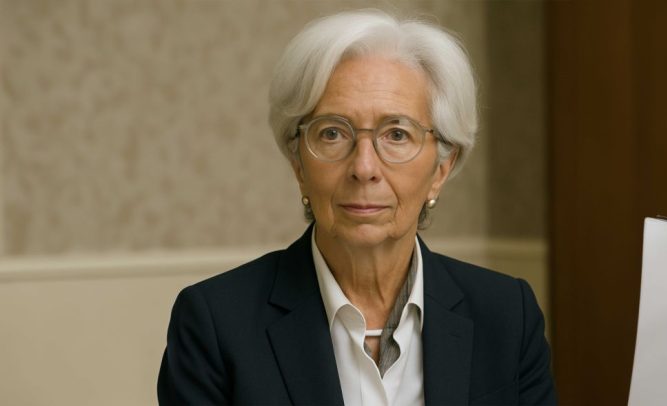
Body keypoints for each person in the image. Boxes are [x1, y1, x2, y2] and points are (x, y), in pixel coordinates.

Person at [157, 9, 556, 406]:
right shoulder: (215, 325)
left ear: (441, 169)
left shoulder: (507, 316)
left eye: (396, 134)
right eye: (333, 133)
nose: (364, 168)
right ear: (299, 165)